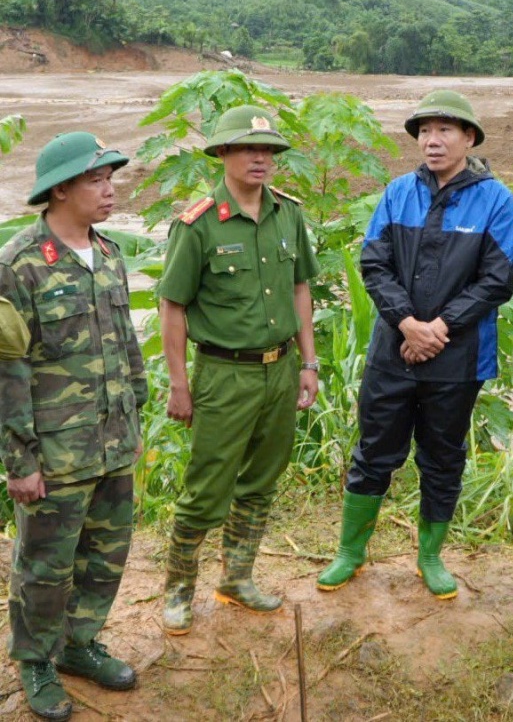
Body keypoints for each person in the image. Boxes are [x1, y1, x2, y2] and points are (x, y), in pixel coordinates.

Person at [317, 90, 513, 599]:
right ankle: (351, 551)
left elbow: (498, 280)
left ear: (468, 138)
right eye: (425, 130)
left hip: (458, 357)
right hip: (394, 351)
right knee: (373, 452)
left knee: (443, 455)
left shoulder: (495, 200)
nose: (433, 140)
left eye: (445, 130)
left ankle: (430, 555)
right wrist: (408, 325)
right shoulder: (398, 192)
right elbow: (374, 264)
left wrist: (438, 329)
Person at [0, 132, 148, 720]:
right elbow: (8, 373)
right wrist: (21, 462)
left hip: (112, 443)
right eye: (96, 179)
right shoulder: (18, 265)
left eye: (110, 177)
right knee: (44, 566)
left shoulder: (109, 254)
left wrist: (137, 414)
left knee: (105, 557)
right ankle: (35, 661)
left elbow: (127, 345)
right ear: (59, 189)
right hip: (56, 453)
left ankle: (78, 645)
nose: (110, 189)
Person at [158, 105, 319, 635]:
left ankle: (237, 577)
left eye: (269, 150)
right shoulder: (199, 224)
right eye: (248, 149)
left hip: (280, 369)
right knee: (206, 487)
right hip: (224, 374)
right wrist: (179, 384)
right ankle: (179, 590)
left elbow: (300, 289)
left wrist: (308, 364)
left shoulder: (288, 213)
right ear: (223, 154)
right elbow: (173, 306)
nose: (260, 158)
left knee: (261, 480)